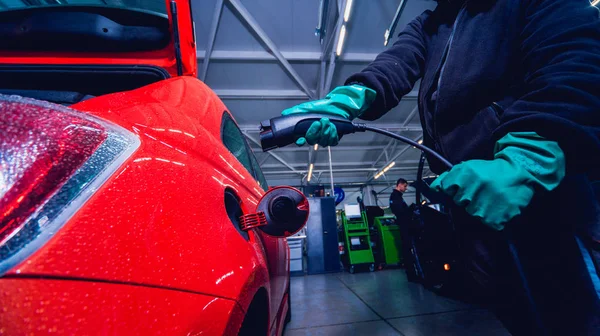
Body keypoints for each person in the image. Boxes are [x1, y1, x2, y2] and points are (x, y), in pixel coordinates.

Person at [280, 0, 600, 334]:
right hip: (472, 200)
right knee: (520, 314)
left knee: (577, 314)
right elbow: (394, 64)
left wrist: (528, 156)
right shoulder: (432, 23)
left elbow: (574, 61)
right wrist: (350, 98)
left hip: (538, 191)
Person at [389, 178, 419, 282]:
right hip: (404, 226)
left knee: (408, 248)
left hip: (405, 225)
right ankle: (411, 274)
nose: (406, 189)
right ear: (400, 185)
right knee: (407, 249)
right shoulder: (395, 197)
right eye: (405, 186)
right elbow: (401, 212)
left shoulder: (398, 197)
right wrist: (411, 209)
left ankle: (412, 272)